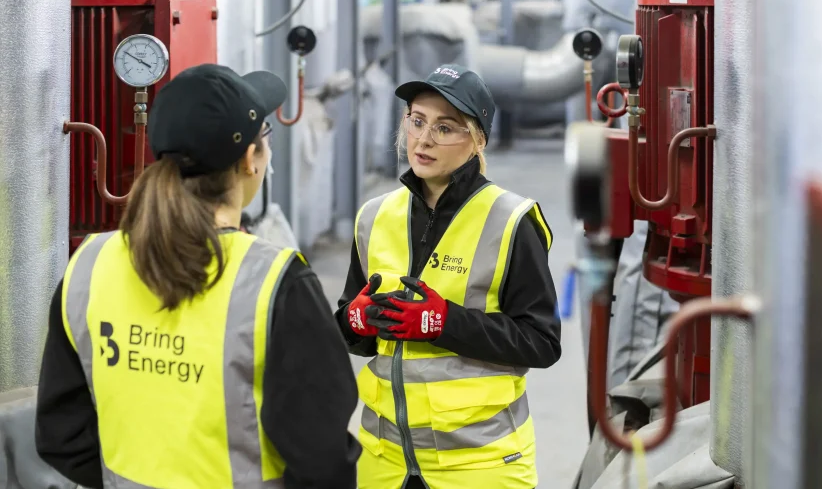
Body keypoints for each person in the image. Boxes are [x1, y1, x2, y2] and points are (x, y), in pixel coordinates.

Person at [35, 64, 361, 488]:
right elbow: (323, 461)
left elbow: (61, 436)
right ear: (250, 159)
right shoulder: (275, 282)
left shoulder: (90, 264)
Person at [336, 64, 561, 489]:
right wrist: (355, 320)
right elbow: (354, 335)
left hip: (478, 463)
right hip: (383, 460)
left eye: (445, 127)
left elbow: (542, 342)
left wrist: (444, 323)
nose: (424, 139)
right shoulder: (374, 217)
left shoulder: (511, 221)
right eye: (417, 121)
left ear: (477, 141)